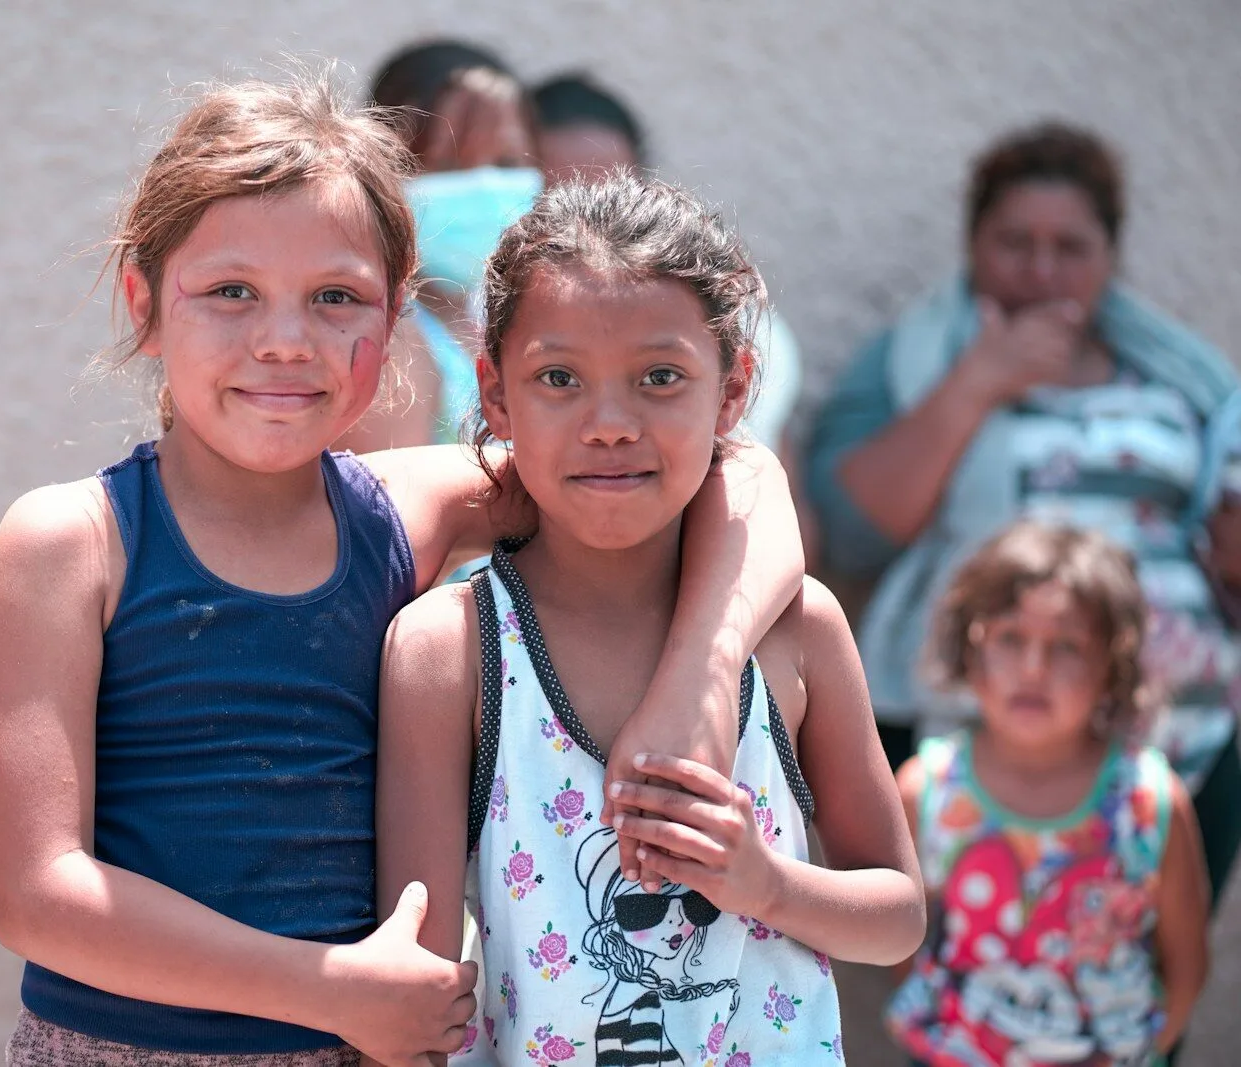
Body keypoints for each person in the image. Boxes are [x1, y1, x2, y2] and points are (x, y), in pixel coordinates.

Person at [0, 73, 808, 1066]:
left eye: (335, 298)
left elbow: (741, 471)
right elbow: (35, 894)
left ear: (397, 316)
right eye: (231, 291)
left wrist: (696, 686)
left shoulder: (401, 510)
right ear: (145, 304)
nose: (284, 339)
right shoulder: (73, 542)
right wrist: (327, 986)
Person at [375, 173, 924, 1065]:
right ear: (495, 391)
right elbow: (419, 999)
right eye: (559, 378)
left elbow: (897, 916)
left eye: (660, 376)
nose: (610, 424)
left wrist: (767, 884)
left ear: (734, 388)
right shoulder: (452, 651)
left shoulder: (797, 631)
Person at [804, 121, 1241, 906]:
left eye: (1070, 247)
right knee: (985, 978)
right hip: (999, 748)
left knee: (1144, 991)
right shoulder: (919, 360)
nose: (1042, 270)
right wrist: (979, 382)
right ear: (972, 247)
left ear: (1110, 257)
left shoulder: (1182, 378)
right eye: (1014, 242)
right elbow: (849, 531)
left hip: (1188, 745)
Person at [886, 522, 1209, 1066]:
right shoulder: (926, 791)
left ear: (1113, 665)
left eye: (1066, 647)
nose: (1033, 670)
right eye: (1011, 639)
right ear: (971, 648)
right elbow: (901, 948)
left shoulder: (1151, 802)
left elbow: (1186, 965)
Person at [530, 73, 804, 453]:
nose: (582, 225)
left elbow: (773, 464)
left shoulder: (744, 327)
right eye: (559, 378)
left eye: (661, 377)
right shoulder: (488, 316)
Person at [338, 41, 542, 453]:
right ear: (386, 173)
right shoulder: (389, 336)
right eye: (448, 165)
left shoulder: (495, 314)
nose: (484, 186)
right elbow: (393, 506)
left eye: (505, 163)